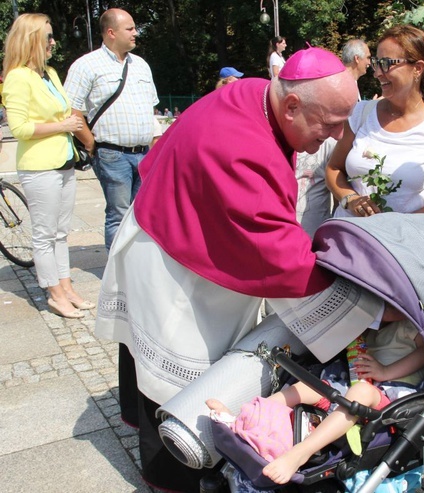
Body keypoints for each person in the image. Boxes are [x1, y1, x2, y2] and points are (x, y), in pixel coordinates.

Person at [94, 46, 361, 492]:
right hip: (173, 265)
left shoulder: (260, 95)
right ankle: (173, 474)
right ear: (292, 104)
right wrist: (346, 285)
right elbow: (279, 253)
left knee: (150, 356)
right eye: (329, 124)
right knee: (176, 378)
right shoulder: (243, 147)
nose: (334, 137)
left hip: (169, 229)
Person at [206, 315, 424, 485]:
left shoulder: (413, 326)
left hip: (392, 396)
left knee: (361, 393)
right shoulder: (372, 326)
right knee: (308, 387)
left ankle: (300, 453)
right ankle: (246, 417)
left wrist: (385, 372)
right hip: (357, 384)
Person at [2, 13, 94, 319]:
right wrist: (63, 125)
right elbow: (20, 129)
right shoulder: (17, 77)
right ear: (32, 41)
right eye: (48, 37)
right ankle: (54, 293)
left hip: (64, 162)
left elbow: (65, 111)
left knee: (60, 233)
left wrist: (69, 125)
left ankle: (66, 288)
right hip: (40, 166)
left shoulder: (50, 73)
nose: (53, 42)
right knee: (44, 235)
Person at [326, 25, 424, 219]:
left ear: (418, 68)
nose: (378, 73)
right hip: (351, 238)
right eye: (376, 63)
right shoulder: (360, 114)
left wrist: (405, 224)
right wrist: (350, 199)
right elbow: (333, 168)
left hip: (402, 244)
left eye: (387, 63)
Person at [64, 8, 159, 251]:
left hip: (144, 155)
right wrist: (89, 143)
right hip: (111, 153)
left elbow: (151, 110)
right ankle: (116, 275)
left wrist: (157, 147)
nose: (136, 33)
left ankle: (137, 266)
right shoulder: (86, 65)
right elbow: (70, 110)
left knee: (144, 213)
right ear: (111, 33)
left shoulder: (141, 65)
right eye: (130, 29)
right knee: (119, 214)